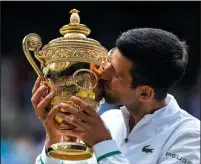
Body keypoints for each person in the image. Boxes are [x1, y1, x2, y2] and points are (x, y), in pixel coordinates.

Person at [33, 28, 200, 164]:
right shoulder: (107, 120)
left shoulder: (189, 137)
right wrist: (54, 138)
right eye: (109, 61)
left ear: (144, 92)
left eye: (116, 73)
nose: (103, 73)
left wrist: (103, 145)